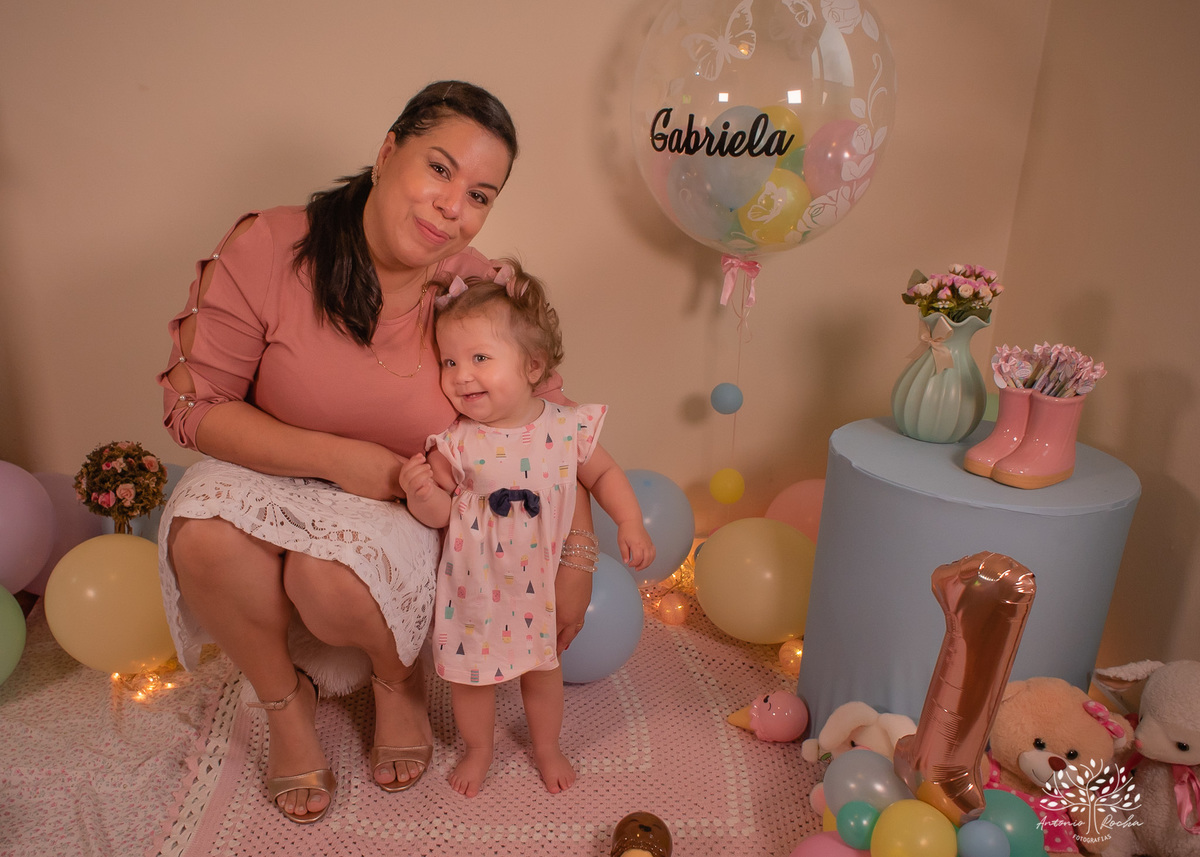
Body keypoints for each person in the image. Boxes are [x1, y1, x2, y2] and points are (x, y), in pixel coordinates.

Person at [155, 80, 598, 824]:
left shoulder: (478, 290)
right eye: (440, 168)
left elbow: (543, 432)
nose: (454, 205)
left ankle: (397, 685)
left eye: (481, 194)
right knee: (199, 537)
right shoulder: (271, 246)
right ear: (388, 151)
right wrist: (333, 457)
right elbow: (193, 406)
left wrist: (577, 552)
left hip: (409, 497)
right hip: (280, 467)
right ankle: (285, 705)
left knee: (328, 578)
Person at [398, 260, 655, 797]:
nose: (460, 375)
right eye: (448, 361)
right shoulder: (457, 441)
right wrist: (422, 493)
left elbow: (604, 473)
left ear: (533, 365)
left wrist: (629, 521)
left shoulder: (567, 428)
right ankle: (479, 748)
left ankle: (547, 746)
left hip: (537, 587)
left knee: (543, 672)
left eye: (479, 358)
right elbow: (441, 513)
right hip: (474, 588)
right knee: (473, 681)